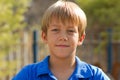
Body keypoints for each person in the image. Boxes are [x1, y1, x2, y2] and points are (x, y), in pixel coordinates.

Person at [12, 0, 110, 80]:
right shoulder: (28, 75)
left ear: (80, 38)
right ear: (44, 36)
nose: (63, 37)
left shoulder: (95, 76)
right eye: (55, 30)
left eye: (70, 31)